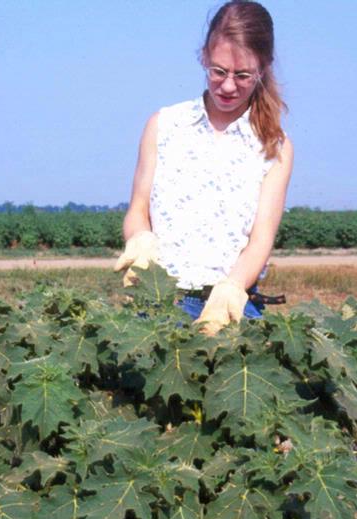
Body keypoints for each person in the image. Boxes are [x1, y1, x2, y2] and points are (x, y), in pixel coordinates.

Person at [114, 0, 293, 336]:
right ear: (203, 58)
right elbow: (138, 208)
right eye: (218, 71)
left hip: (228, 308)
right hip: (160, 306)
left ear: (264, 68)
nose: (227, 86)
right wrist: (139, 239)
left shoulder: (274, 146)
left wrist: (232, 288)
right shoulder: (164, 126)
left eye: (243, 75)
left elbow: (261, 239)